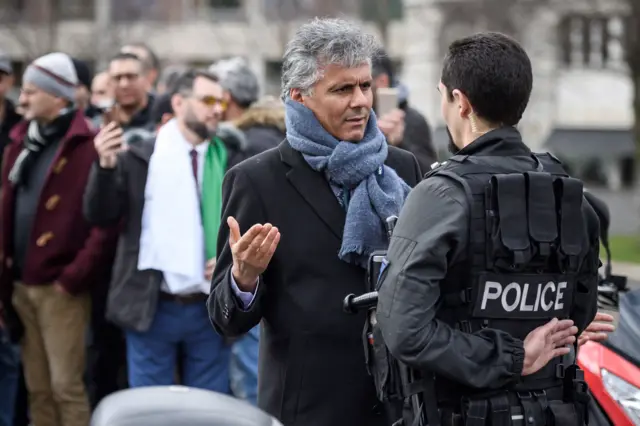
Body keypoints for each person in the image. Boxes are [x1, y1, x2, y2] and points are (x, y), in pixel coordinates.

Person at [376, 32, 600, 426]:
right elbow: (577, 317)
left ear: (460, 102)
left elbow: (405, 330)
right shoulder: (572, 198)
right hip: (554, 412)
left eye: (443, 95)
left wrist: (513, 359)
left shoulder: (441, 196)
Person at [208, 18, 422, 426]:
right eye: (342, 89)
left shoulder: (403, 167)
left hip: (397, 402)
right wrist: (244, 280)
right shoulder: (255, 180)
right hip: (309, 407)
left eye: (364, 85)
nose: (360, 101)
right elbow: (225, 319)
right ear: (299, 97)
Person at [84, 68, 244, 392]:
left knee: (207, 409)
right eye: (207, 100)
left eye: (221, 101)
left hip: (209, 305)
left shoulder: (228, 158)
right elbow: (100, 215)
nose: (217, 109)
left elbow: (243, 225)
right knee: (150, 408)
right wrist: (104, 167)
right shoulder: (141, 155)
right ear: (179, 102)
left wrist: (226, 259)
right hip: (151, 302)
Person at [0, 52, 118, 426]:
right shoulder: (21, 143)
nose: (21, 99)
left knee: (66, 387)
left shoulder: (89, 144)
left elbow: (106, 223)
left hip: (60, 290)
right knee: (37, 388)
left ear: (60, 97)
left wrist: (72, 278)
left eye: (31, 91)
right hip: (19, 285)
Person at [372, 48, 437, 172]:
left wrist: (399, 145)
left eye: (365, 84)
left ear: (382, 81)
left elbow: (430, 172)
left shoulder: (412, 120)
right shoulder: (359, 118)